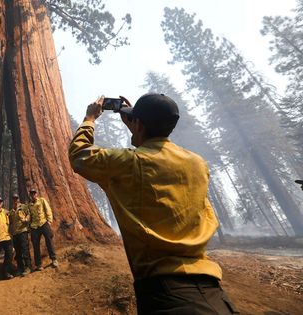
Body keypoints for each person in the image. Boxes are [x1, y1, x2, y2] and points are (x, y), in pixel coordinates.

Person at [69, 94, 239, 314]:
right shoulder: (197, 163)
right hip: (213, 293)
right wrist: (139, 129)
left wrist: (90, 118)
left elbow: (79, 155)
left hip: (166, 297)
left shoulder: (130, 163)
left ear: (138, 124)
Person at [28, 188, 58, 270]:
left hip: (43, 223)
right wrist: (29, 226)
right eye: (31, 193)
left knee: (49, 240)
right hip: (34, 226)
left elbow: (48, 209)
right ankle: (38, 264)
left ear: (36, 194)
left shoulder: (42, 200)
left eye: (34, 193)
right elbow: (29, 216)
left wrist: (49, 221)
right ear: (30, 195)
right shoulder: (29, 205)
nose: (33, 195)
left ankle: (54, 259)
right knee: (35, 245)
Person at [9, 194, 32, 276]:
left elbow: (29, 214)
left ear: (18, 199)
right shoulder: (11, 211)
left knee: (24, 249)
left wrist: (26, 220)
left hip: (23, 231)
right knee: (18, 251)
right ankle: (20, 268)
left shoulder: (24, 207)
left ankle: (28, 267)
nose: (15, 200)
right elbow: (10, 222)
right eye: (14, 198)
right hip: (15, 233)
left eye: (16, 198)